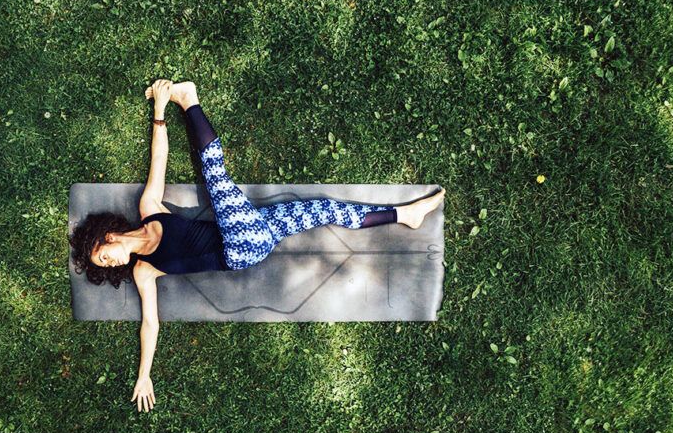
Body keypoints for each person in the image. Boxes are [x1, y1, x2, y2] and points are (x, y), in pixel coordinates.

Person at [69, 80, 446, 412]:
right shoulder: (144, 270)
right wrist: (144, 375)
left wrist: (158, 113)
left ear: (108, 237)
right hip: (241, 250)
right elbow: (150, 323)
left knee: (325, 210)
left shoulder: (149, 210)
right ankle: (190, 99)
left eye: (105, 256)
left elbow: (159, 161)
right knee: (215, 177)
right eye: (106, 266)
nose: (112, 263)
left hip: (253, 228)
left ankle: (404, 216)